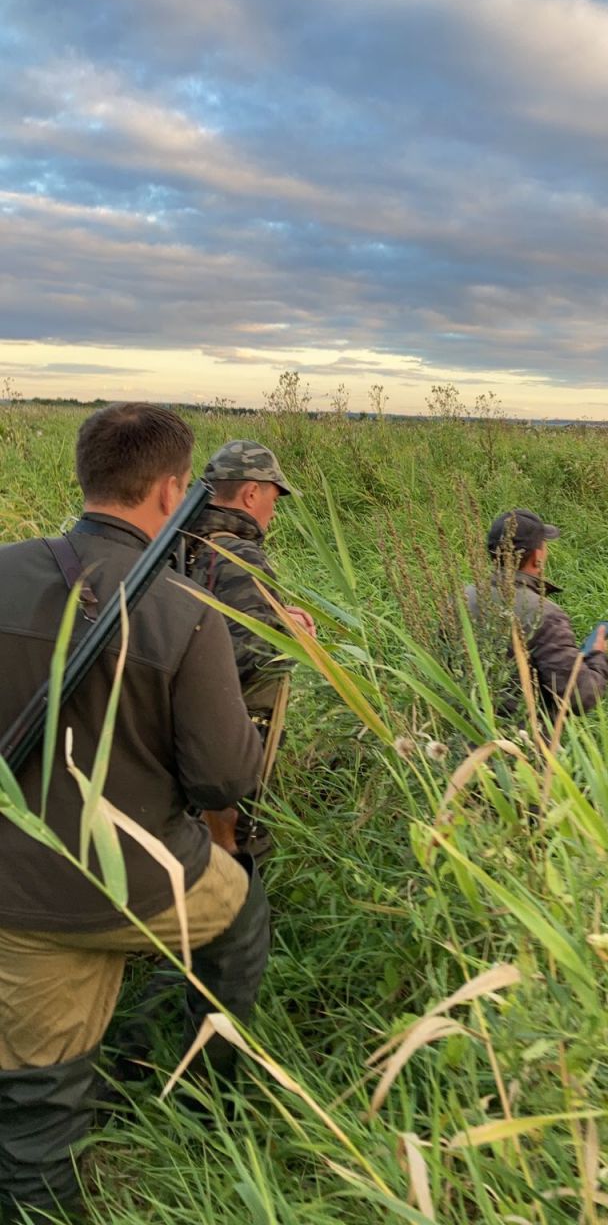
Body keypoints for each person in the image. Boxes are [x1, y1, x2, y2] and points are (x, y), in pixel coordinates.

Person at [0, 404, 270, 1219]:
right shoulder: (188, 611)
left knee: (38, 1104)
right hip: (136, 882)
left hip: (11, 888)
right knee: (242, 914)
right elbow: (224, 779)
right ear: (170, 490)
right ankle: (205, 1090)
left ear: (85, 478)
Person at [187, 440, 315, 859]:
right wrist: (290, 635)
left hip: (185, 737)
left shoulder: (187, 543)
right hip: (232, 744)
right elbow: (245, 657)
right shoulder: (238, 554)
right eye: (273, 498)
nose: (273, 511)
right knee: (241, 849)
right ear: (251, 493)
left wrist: (277, 616)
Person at [466, 509, 608, 721]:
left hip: (464, 735)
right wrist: (598, 657)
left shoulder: (461, 598)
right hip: (525, 744)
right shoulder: (544, 615)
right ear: (537, 556)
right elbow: (580, 696)